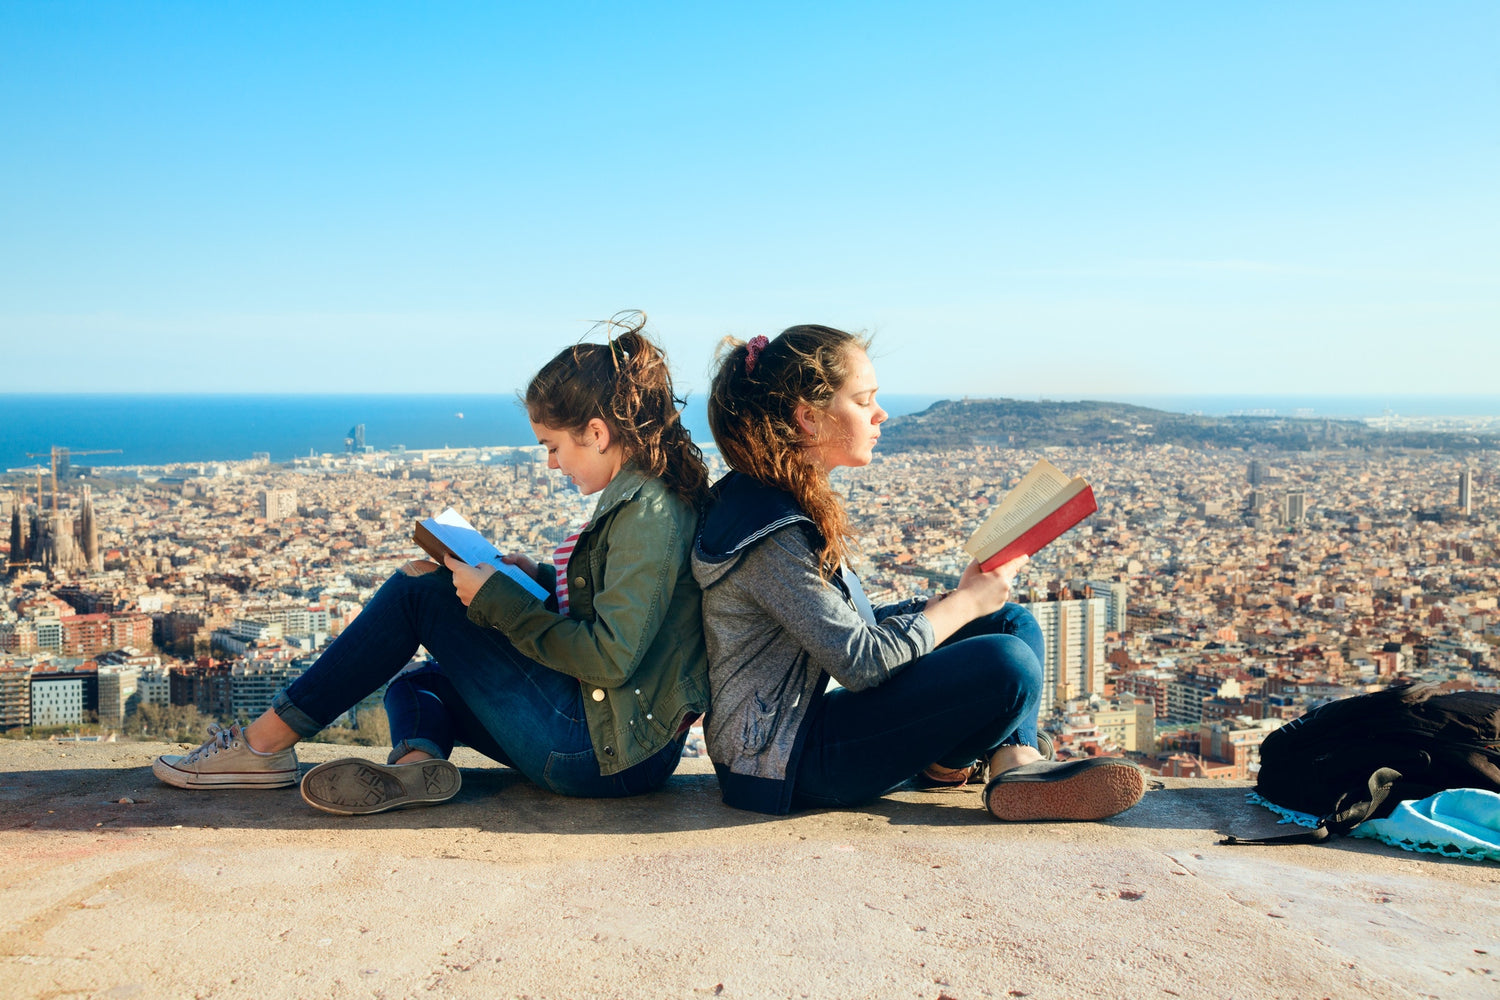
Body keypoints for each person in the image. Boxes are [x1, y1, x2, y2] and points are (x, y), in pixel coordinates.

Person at [154, 314, 711, 815]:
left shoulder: (648, 512)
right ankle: (414, 767)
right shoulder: (644, 498)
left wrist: (498, 600)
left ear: (596, 432)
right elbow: (623, 608)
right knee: (420, 686)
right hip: (616, 741)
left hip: (600, 752)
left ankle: (260, 747)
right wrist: (534, 576)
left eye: (552, 446)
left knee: (418, 593)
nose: (550, 464)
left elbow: (610, 658)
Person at [693, 325, 1145, 821]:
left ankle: (1012, 760)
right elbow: (860, 661)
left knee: (1012, 622)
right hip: (781, 759)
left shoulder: (774, 496)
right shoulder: (771, 530)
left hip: (806, 725)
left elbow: (837, 626)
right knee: (1007, 662)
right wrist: (962, 604)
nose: (880, 414)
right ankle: (990, 761)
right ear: (809, 419)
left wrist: (954, 606)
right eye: (864, 401)